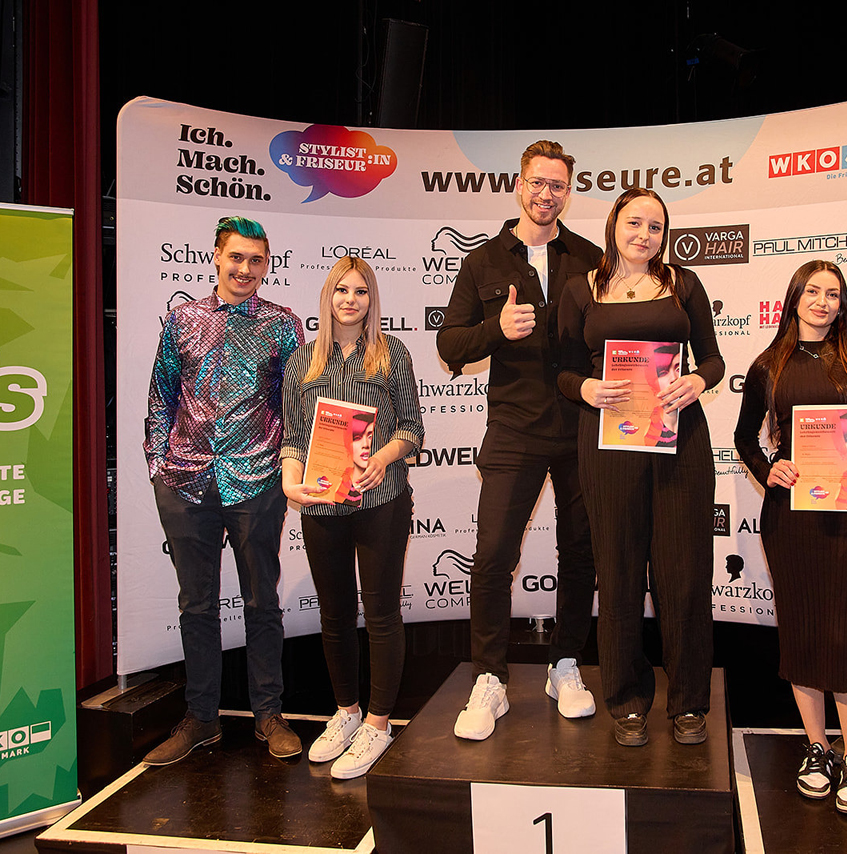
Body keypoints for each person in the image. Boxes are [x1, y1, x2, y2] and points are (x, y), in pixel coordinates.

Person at [436, 140, 602, 740]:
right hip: (513, 428)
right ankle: (490, 678)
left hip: (581, 426)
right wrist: (495, 328)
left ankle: (566, 665)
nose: (546, 194)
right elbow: (449, 345)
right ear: (519, 185)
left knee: (580, 554)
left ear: (567, 192)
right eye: (537, 182)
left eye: (557, 185)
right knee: (492, 558)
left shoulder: (590, 258)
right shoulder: (483, 262)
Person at [557, 188, 723, 747]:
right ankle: (627, 701)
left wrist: (697, 380)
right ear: (614, 225)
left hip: (680, 439)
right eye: (634, 223)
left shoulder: (684, 285)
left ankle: (689, 702)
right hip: (608, 442)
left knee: (684, 573)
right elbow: (560, 368)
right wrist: (585, 387)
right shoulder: (581, 289)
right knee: (619, 571)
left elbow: (714, 358)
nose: (644, 235)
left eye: (655, 227)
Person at [143, 216, 304, 764]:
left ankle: (269, 715)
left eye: (256, 260)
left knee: (262, 602)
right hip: (186, 483)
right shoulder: (183, 319)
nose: (245, 269)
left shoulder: (282, 325)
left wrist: (288, 467)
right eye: (236, 257)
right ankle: (201, 719)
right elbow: (161, 396)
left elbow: (295, 405)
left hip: (258, 482)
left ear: (267, 265)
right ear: (216, 256)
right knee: (196, 605)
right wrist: (158, 468)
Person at [734, 260, 847, 814]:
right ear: (795, 298)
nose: (824, 302)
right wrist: (768, 468)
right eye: (814, 292)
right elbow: (744, 437)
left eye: (834, 294)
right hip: (792, 520)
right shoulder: (768, 365)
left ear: (842, 304)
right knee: (801, 633)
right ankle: (817, 748)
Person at [279, 256, 423, 778]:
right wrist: (289, 481)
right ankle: (347, 713)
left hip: (380, 500)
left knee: (381, 614)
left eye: (361, 291)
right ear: (328, 296)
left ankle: (379, 725)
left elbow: (412, 428)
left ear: (371, 300)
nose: (350, 299)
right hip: (322, 505)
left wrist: (382, 456)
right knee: (335, 615)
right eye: (342, 290)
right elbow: (293, 437)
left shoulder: (391, 353)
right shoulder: (302, 362)